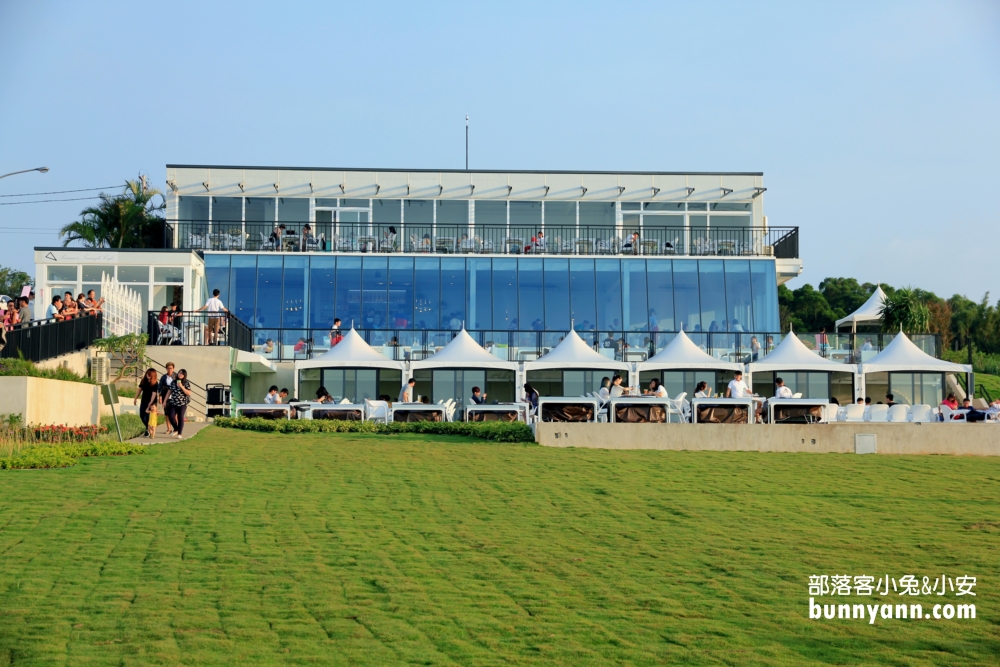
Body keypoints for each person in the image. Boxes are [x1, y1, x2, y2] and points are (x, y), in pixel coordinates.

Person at [165, 369, 192, 438]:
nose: (180, 374)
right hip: (173, 402)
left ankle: (179, 433)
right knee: (171, 416)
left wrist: (182, 387)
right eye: (179, 373)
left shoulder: (186, 382)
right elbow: (169, 392)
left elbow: (188, 393)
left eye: (182, 374)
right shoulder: (173, 382)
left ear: (184, 375)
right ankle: (176, 429)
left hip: (182, 403)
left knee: (180, 417)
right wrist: (165, 401)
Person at [135, 368, 160, 436]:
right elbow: (139, 390)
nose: (147, 375)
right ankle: (148, 428)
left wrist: (151, 402)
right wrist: (135, 398)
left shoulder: (155, 383)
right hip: (144, 401)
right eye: (147, 374)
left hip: (152, 402)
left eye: (149, 374)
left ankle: (148, 430)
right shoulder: (143, 381)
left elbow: (154, 393)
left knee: (148, 416)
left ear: (153, 375)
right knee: (142, 415)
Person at [158, 362, 177, 435]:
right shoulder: (163, 377)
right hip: (165, 396)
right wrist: (159, 397)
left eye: (171, 368)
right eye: (168, 368)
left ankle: (176, 428)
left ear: (173, 369)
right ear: (166, 369)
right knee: (167, 414)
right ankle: (168, 429)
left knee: (174, 414)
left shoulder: (176, 376)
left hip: (174, 397)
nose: (170, 370)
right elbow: (159, 387)